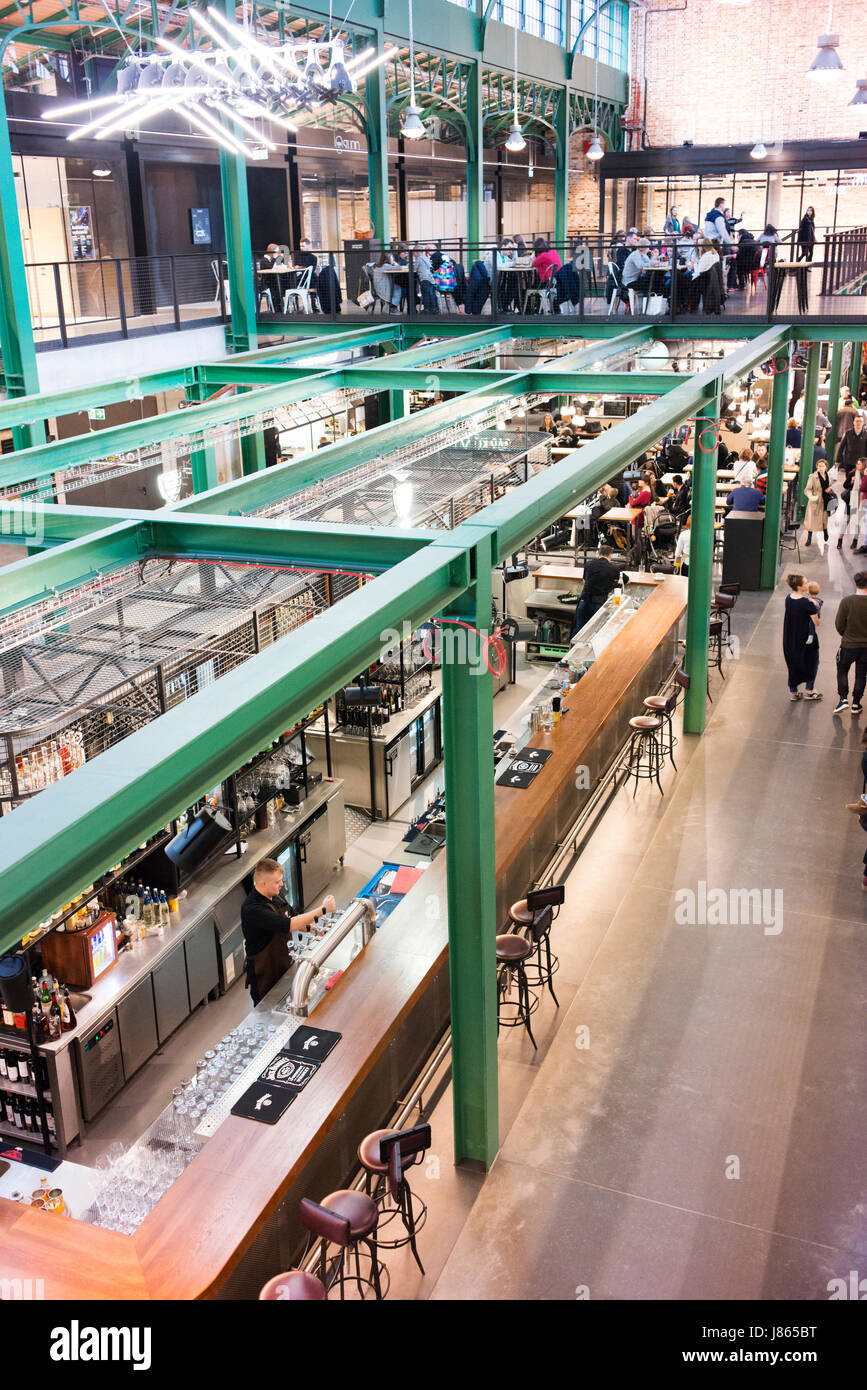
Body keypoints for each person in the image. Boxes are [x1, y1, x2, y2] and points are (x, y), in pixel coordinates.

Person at [242, 857, 336, 1005]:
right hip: (264, 973)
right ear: (263, 883)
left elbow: (295, 919)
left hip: (282, 964)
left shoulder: (276, 895)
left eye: (281, 880)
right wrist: (323, 910)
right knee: (267, 1011)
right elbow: (289, 924)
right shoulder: (253, 909)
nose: (281, 884)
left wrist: (316, 930)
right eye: (277, 881)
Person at [782, 573, 822, 702]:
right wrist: (815, 605)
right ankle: (809, 690)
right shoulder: (807, 603)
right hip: (805, 639)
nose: (807, 584)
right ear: (799, 587)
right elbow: (817, 622)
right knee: (812, 662)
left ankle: (793, 692)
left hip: (790, 638)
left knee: (792, 663)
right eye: (805, 583)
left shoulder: (788, 598)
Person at [833, 572, 867, 714]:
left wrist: (844, 634)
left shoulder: (847, 601)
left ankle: (843, 699)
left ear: (856, 583)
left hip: (848, 645)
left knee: (842, 670)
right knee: (861, 674)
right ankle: (856, 704)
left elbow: (839, 623)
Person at [571, 544, 621, 635]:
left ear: (598, 554)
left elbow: (584, 581)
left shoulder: (589, 564)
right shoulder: (614, 568)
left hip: (584, 601)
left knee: (580, 632)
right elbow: (625, 580)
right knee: (597, 632)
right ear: (610, 555)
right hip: (599, 603)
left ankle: (575, 648)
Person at [803, 459, 831, 546]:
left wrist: (830, 489)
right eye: (819, 466)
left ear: (826, 467)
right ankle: (809, 538)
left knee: (824, 519)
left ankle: (825, 532)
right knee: (811, 520)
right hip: (815, 501)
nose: (821, 468)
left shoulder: (828, 476)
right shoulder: (813, 477)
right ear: (817, 467)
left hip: (825, 500)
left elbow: (830, 486)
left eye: (823, 466)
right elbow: (807, 489)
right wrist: (811, 496)